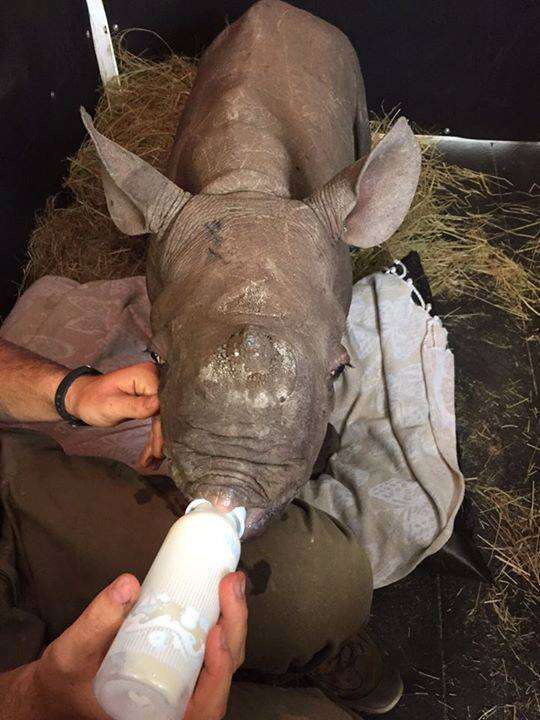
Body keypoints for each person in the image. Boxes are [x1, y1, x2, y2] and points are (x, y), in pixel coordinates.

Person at [0, 338, 402, 719]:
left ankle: (314, 647)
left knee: (325, 582)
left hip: (9, 502)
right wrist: (30, 701)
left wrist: (70, 391)